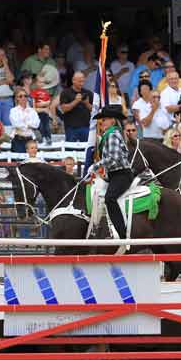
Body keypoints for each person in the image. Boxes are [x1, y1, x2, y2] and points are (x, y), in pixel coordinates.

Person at [88, 106, 132, 239]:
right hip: (115, 175)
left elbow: (114, 158)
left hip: (121, 174)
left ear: (112, 121)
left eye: (105, 119)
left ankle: (123, 235)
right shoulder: (112, 134)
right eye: (102, 120)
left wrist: (96, 166)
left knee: (110, 199)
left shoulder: (112, 135)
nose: (102, 122)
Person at [59, 71, 93, 143]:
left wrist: (87, 104)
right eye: (79, 81)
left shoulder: (88, 93)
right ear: (73, 80)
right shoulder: (65, 92)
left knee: (86, 149)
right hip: (71, 127)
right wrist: (76, 101)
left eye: (83, 81)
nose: (82, 83)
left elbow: (95, 110)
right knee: (70, 150)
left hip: (86, 126)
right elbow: (63, 109)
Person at [9, 88, 40, 153]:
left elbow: (36, 124)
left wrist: (23, 124)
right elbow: (16, 124)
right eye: (20, 96)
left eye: (25, 96)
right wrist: (29, 125)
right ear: (17, 98)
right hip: (18, 139)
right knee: (19, 161)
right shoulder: (13, 110)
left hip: (30, 139)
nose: (23, 98)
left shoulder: (32, 110)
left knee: (31, 161)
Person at [30, 73, 52, 144]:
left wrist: (44, 103)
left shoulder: (46, 92)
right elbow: (33, 104)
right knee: (40, 126)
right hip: (38, 113)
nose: (42, 84)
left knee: (47, 126)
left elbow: (49, 101)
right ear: (36, 83)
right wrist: (40, 104)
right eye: (40, 82)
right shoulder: (34, 92)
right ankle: (41, 138)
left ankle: (48, 138)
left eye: (43, 82)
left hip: (45, 112)